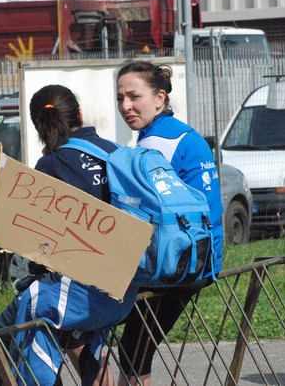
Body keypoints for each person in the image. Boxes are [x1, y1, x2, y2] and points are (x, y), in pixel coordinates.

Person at [0, 84, 139, 386]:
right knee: (82, 340)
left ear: (39, 125)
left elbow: (39, 247)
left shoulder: (49, 166)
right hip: (120, 294)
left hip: (70, 296)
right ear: (79, 113)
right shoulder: (116, 155)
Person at [114, 61, 224, 386]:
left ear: (160, 98)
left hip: (181, 267)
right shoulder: (180, 133)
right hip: (203, 257)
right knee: (134, 348)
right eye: (120, 98)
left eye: (134, 96)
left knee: (133, 350)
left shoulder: (155, 144)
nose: (125, 106)